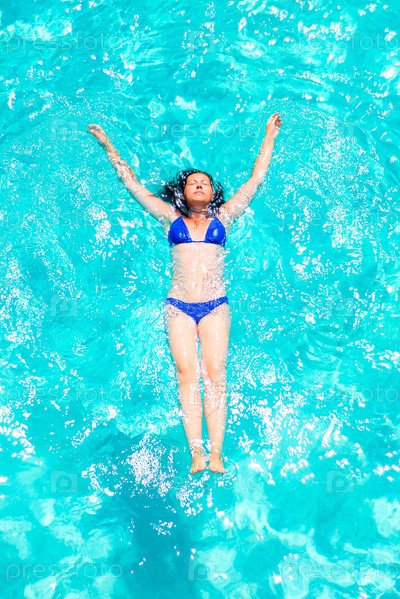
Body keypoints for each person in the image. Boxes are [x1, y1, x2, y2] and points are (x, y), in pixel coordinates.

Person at [88, 112, 282, 474]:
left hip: (215, 306)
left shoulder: (224, 218)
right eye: (193, 182)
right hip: (178, 306)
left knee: (215, 375)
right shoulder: (170, 218)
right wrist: (107, 145)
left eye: (204, 182)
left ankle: (217, 453)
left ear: (212, 192)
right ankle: (196, 451)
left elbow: (256, 179)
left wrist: (268, 136)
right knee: (186, 374)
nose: (199, 185)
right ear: (183, 192)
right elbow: (132, 185)